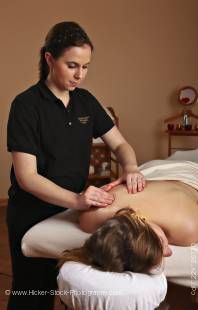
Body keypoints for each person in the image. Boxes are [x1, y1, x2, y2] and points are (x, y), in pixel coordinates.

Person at [6, 21, 145, 310]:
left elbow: (120, 145)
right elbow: (27, 177)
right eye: (72, 65)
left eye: (85, 67)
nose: (79, 75)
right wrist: (77, 199)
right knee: (32, 296)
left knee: (71, 287)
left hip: (72, 212)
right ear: (49, 59)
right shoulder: (26, 106)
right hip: (31, 214)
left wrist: (130, 167)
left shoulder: (85, 102)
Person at [59, 178, 198, 274]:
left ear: (143, 222)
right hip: (151, 173)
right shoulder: (91, 217)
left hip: (189, 177)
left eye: (161, 243)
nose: (168, 252)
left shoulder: (188, 227)